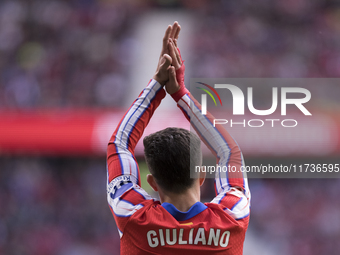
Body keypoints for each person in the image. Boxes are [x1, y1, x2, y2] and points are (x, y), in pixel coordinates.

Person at [107, 21, 251, 254]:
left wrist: (157, 84)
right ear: (201, 175)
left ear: (152, 183)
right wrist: (179, 92)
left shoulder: (132, 215)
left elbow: (119, 144)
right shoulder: (233, 215)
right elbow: (229, 152)